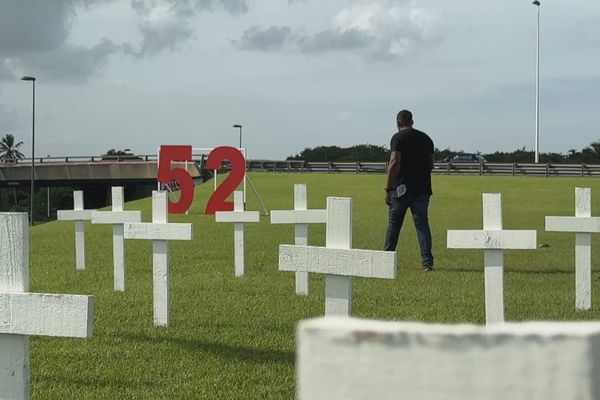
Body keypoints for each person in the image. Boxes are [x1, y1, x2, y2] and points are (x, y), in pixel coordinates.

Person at [384, 109, 435, 271]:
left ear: (397, 123)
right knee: (422, 225)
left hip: (401, 188)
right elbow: (431, 164)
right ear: (412, 121)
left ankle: (386, 260)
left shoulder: (398, 138)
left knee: (394, 224)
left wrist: (388, 188)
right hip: (422, 188)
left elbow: (394, 162)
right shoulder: (426, 138)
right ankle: (427, 263)